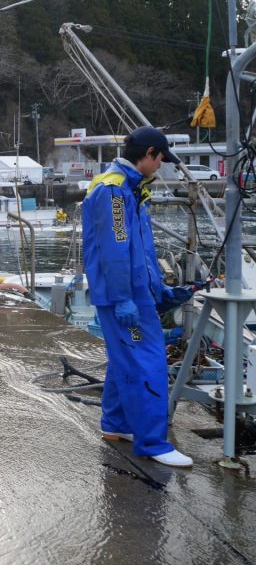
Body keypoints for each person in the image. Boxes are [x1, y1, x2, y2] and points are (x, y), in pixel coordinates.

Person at [82, 126, 196, 468]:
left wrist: (158, 289)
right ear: (148, 154)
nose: (160, 165)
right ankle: (152, 442)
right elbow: (115, 251)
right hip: (124, 297)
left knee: (125, 359)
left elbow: (138, 251)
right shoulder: (114, 192)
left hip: (134, 293)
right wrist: (122, 299)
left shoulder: (129, 188)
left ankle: (115, 423)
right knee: (146, 362)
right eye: (160, 158)